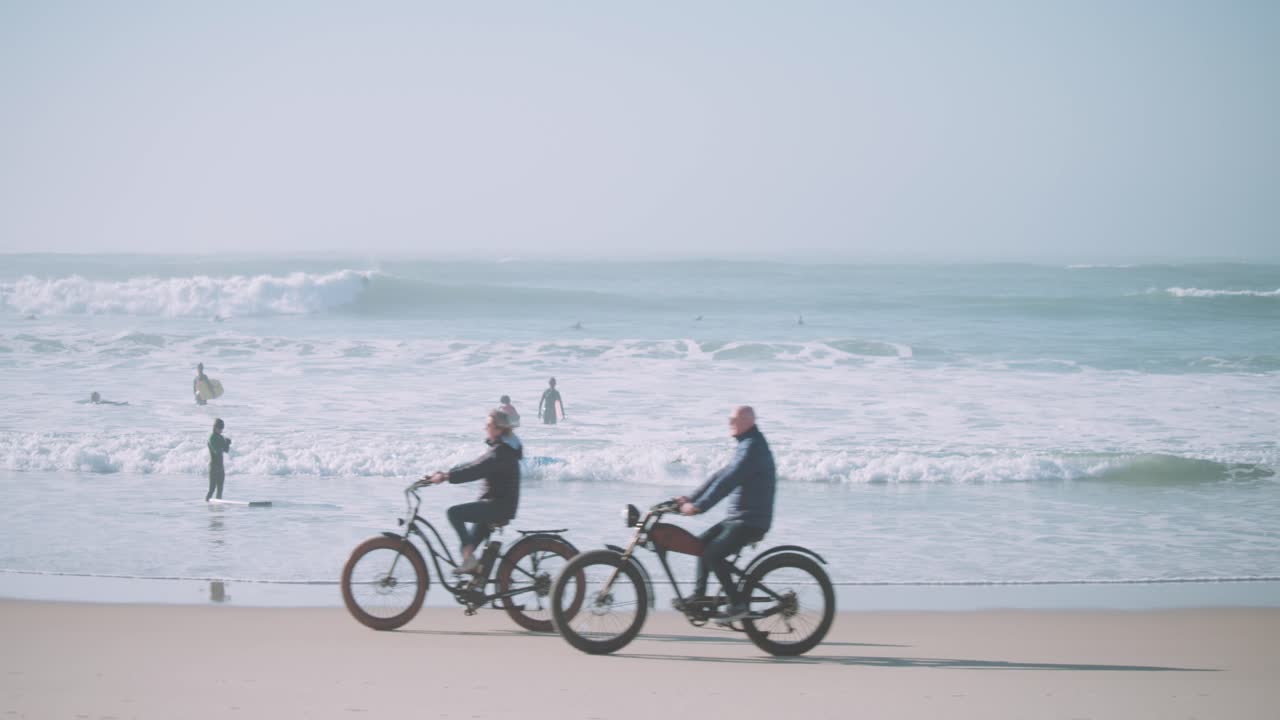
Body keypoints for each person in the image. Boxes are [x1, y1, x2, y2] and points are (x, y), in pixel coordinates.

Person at [674, 405, 776, 623]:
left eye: (733, 419)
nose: (729, 423)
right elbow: (720, 475)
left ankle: (737, 604)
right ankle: (699, 597)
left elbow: (727, 483)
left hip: (751, 521)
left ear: (747, 422)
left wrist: (700, 506)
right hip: (739, 518)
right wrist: (691, 498)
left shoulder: (752, 449)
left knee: (713, 553)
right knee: (700, 545)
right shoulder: (746, 445)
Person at [421, 409, 522, 574]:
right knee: (466, 547)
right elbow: (473, 464)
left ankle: (471, 561)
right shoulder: (501, 449)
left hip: (498, 506)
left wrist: (446, 477)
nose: (485, 428)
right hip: (495, 505)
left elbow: (475, 470)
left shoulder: (500, 453)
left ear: (498, 429)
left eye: (488, 425)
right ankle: (477, 580)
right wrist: (443, 473)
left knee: (454, 513)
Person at [206, 418, 232, 501]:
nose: (221, 430)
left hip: (220, 467)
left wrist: (227, 443)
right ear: (215, 427)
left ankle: (218, 509)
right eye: (220, 428)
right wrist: (223, 444)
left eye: (222, 428)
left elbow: (226, 450)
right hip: (213, 467)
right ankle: (207, 507)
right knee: (212, 490)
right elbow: (216, 451)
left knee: (220, 490)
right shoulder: (212, 438)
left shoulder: (220, 437)